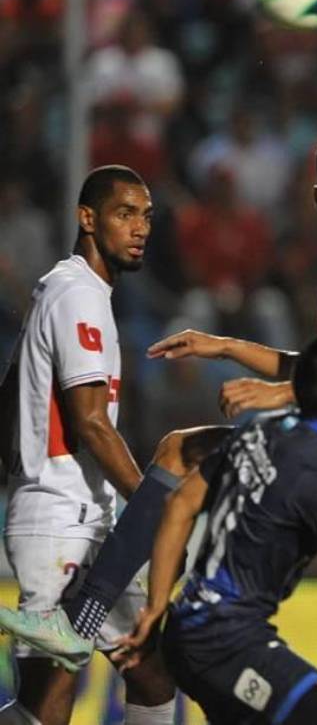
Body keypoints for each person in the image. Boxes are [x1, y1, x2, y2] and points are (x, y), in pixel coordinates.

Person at [0, 130, 317, 725]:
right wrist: (227, 347)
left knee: (180, 452)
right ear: (316, 193)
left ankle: (78, 615)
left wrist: (282, 395)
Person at [114, 330, 317, 725]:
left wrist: (156, 607)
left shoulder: (263, 431)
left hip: (192, 629)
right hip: (225, 641)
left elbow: (181, 503)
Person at [0, 165, 176, 725]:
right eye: (125, 214)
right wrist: (158, 508)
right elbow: (92, 423)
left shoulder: (68, 290)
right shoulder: (77, 294)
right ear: (87, 218)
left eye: (146, 216)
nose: (139, 227)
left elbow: (9, 393)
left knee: (150, 671)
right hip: (58, 526)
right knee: (46, 705)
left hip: (86, 522)